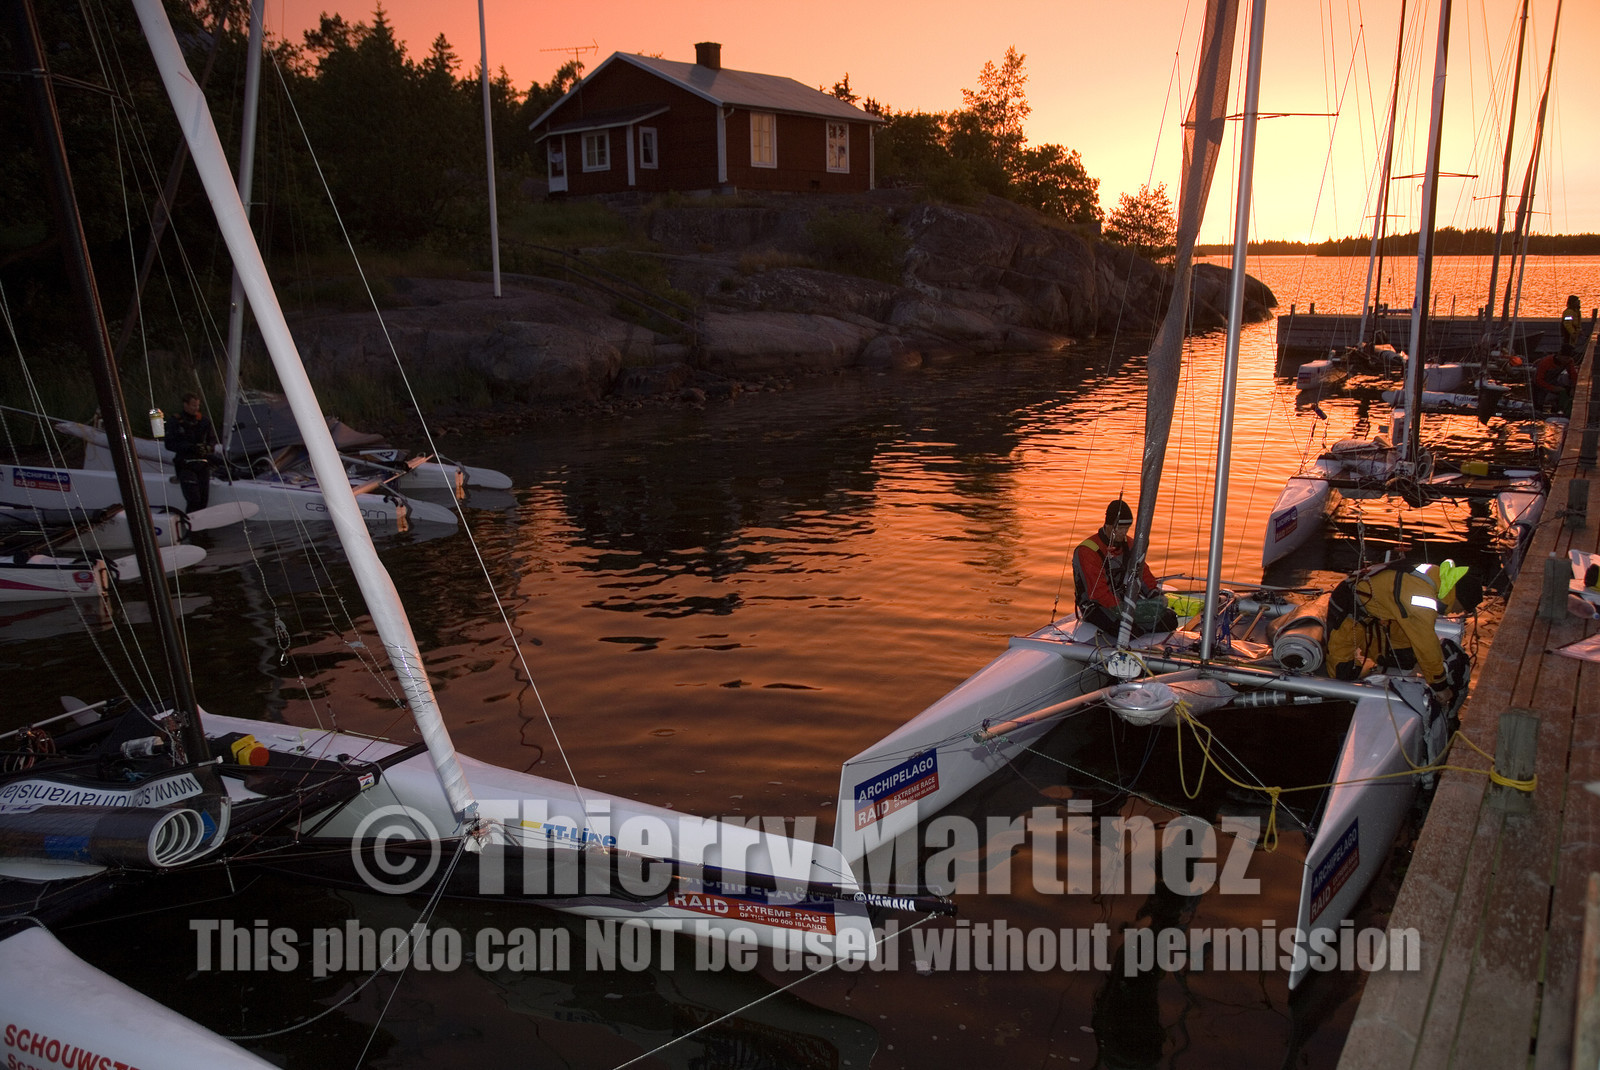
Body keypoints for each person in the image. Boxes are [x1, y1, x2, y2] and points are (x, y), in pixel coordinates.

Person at [1326, 559, 1483, 708]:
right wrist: (1439, 684)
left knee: (1403, 657)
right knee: (1342, 672)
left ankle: (1381, 659)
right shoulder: (1421, 598)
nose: (1460, 612)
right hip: (1348, 607)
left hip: (1381, 614)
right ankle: (1340, 706)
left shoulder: (1437, 578)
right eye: (1463, 607)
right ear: (1457, 596)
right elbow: (1426, 643)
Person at [1072, 500, 1176, 638]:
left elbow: (1143, 572)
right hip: (1096, 605)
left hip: (1122, 599)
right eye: (1119, 528)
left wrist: (1155, 595)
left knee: (1170, 620)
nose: (1123, 532)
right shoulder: (1088, 551)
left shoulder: (1130, 545)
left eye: (1126, 528)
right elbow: (1097, 593)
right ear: (1108, 525)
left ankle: (1142, 627)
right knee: (1129, 632)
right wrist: (1123, 610)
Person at [166, 392, 218, 512]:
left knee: (203, 501)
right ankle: (191, 527)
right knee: (194, 500)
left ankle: (201, 528)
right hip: (185, 464)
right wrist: (190, 447)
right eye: (193, 405)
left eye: (198, 406)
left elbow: (213, 441)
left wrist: (207, 448)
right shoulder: (175, 421)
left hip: (202, 464)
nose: (196, 408)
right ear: (185, 405)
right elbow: (169, 444)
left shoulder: (204, 421)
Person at [1531, 346, 1578, 417]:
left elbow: (1573, 375)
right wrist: (1553, 388)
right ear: (1559, 355)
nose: (1567, 361)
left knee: (1564, 391)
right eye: (1565, 358)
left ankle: (1558, 409)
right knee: (1538, 405)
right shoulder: (1546, 362)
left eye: (1568, 358)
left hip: (1553, 381)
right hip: (1538, 384)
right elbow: (1538, 380)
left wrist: (1573, 388)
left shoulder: (1569, 361)